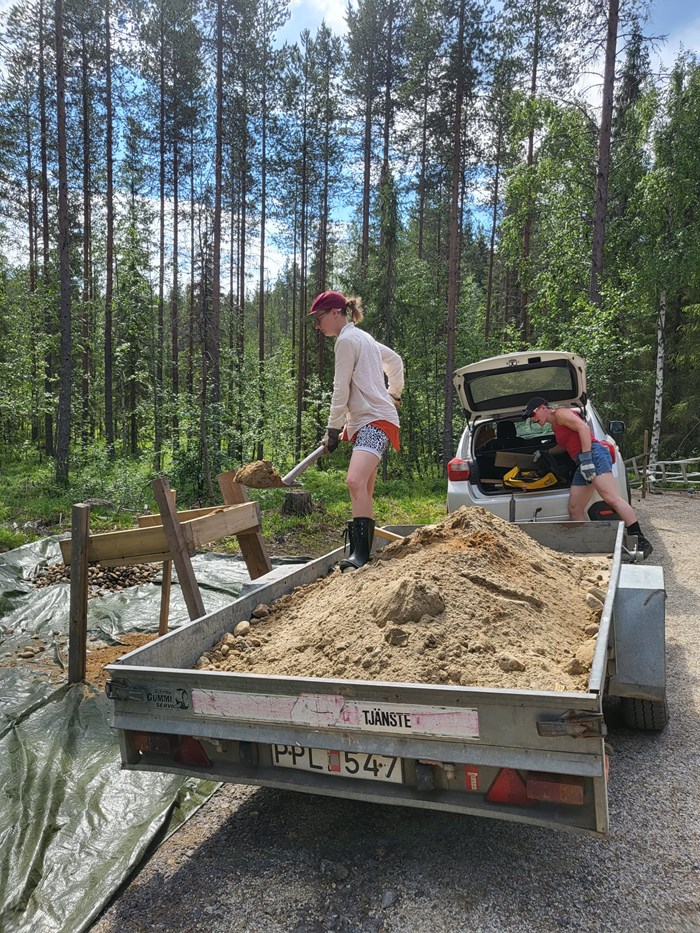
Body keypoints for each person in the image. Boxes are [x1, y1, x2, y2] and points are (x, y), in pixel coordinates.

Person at [308, 290, 404, 570]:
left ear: (336, 313)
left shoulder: (347, 340)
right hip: (366, 421)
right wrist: (394, 395)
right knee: (363, 488)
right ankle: (363, 553)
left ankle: (360, 556)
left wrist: (333, 428)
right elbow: (395, 361)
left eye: (319, 318)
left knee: (354, 481)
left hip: (376, 421)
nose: (317, 326)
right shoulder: (364, 338)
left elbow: (340, 388)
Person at [522, 397, 653, 558]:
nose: (533, 419)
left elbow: (583, 428)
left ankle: (641, 539)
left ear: (543, 408)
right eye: (530, 418)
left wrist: (587, 459)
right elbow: (563, 446)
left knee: (611, 498)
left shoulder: (561, 413)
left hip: (594, 455)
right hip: (582, 462)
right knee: (575, 508)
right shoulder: (555, 426)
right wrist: (545, 453)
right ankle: (587, 544)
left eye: (533, 415)